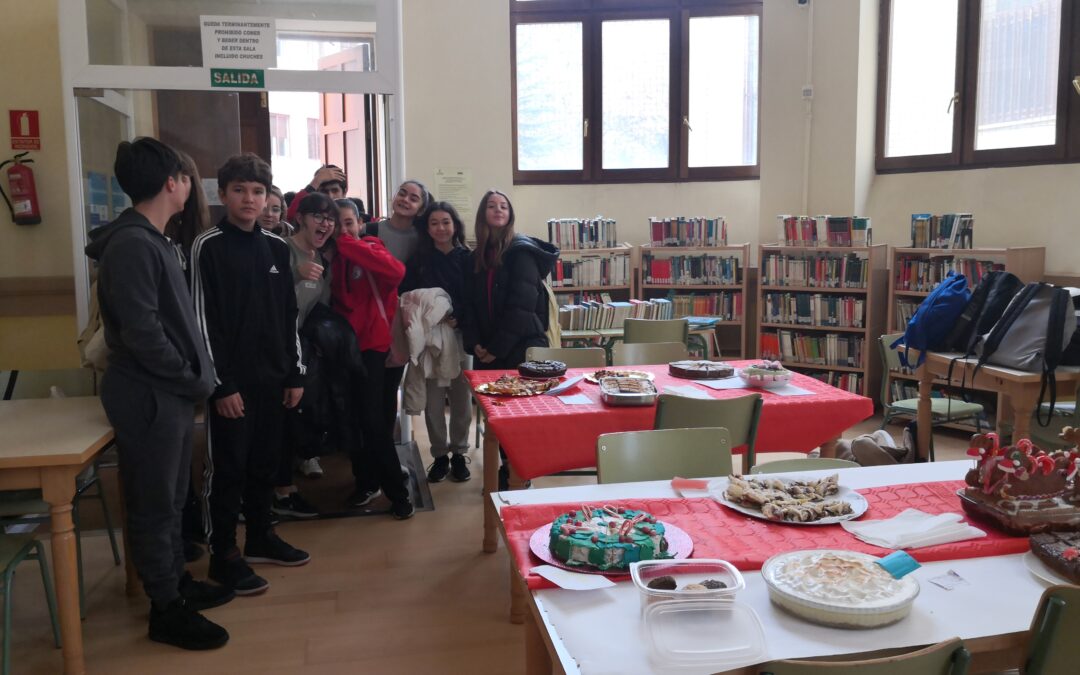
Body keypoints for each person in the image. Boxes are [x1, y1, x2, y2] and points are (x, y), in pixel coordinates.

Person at [85, 137, 230, 650]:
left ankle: (178, 584)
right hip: (149, 392)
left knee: (170, 498)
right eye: (187, 177)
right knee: (152, 502)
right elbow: (144, 333)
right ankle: (165, 608)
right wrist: (191, 378)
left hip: (164, 391)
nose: (191, 186)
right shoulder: (132, 245)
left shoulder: (153, 239)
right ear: (172, 183)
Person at [191, 153, 310, 597]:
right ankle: (224, 554)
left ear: (268, 198)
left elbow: (288, 317)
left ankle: (260, 536)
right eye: (239, 190)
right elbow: (203, 323)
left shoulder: (278, 247)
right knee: (228, 469)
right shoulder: (208, 246)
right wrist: (221, 385)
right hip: (231, 386)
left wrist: (295, 375)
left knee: (265, 464)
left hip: (273, 380)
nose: (249, 198)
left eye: (257, 191)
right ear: (222, 195)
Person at [461, 189, 559, 490]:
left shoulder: (521, 252)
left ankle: (518, 468)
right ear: (482, 215)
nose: (498, 209)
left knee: (520, 413)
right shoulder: (474, 257)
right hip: (488, 348)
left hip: (520, 345)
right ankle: (507, 465)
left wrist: (495, 348)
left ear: (510, 215)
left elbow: (522, 304)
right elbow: (467, 304)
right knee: (497, 414)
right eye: (491, 205)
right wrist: (475, 342)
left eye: (504, 205)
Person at [329, 201, 415, 519]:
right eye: (337, 224)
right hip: (342, 351)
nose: (343, 230)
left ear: (360, 224)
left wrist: (348, 242)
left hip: (374, 349)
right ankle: (366, 482)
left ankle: (398, 493)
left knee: (374, 424)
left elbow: (396, 272)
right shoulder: (329, 257)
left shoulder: (369, 247)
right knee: (352, 421)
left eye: (349, 223)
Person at [273, 192, 337, 515]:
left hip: (300, 350)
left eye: (330, 219)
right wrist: (295, 276)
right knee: (279, 420)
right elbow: (265, 299)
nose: (325, 223)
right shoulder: (281, 250)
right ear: (300, 218)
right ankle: (280, 492)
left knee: (295, 416)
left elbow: (316, 311)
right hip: (274, 348)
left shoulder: (324, 262)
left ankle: (285, 486)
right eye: (318, 216)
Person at [401, 202, 473, 483]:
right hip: (429, 338)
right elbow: (408, 296)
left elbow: (474, 297)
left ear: (455, 225)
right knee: (432, 398)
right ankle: (440, 455)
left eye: (446, 222)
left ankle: (459, 453)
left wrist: (460, 317)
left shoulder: (468, 258)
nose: (440, 228)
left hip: (459, 335)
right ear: (427, 228)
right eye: (434, 223)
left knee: (461, 397)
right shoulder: (419, 260)